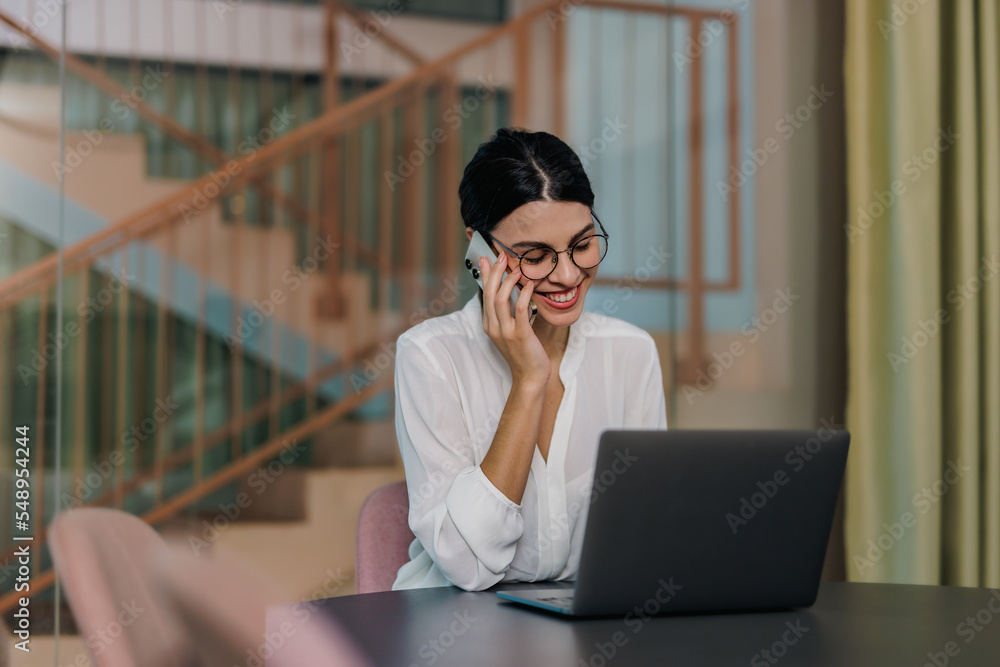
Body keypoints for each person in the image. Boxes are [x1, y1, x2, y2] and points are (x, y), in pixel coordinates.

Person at [391, 127, 667, 592]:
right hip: (452, 628)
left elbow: (648, 535)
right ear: (481, 251)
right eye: (536, 256)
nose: (567, 274)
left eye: (582, 245)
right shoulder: (430, 356)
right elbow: (467, 568)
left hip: (581, 624)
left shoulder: (631, 353)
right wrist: (529, 381)